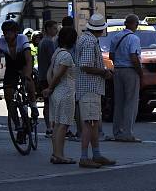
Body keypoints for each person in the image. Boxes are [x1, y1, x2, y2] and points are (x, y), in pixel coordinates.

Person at [75, 14, 116, 168]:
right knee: (89, 123)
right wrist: (104, 72)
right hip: (89, 88)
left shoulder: (86, 38)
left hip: (90, 88)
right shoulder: (89, 41)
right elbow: (85, 65)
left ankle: (96, 155)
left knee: (93, 123)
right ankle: (85, 157)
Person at [0, 20, 38, 134]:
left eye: (9, 32)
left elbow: (28, 59)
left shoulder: (22, 38)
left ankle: (33, 105)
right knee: (8, 97)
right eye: (5, 32)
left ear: (16, 32)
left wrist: (27, 76)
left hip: (23, 65)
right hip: (11, 68)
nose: (6, 35)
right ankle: (17, 124)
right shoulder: (0, 42)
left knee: (29, 80)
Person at [43, 26, 78, 164]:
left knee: (57, 125)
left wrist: (50, 88)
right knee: (63, 125)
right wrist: (50, 87)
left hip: (57, 93)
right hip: (65, 92)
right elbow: (59, 75)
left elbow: (50, 72)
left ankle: (55, 153)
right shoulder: (67, 56)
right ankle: (59, 155)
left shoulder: (57, 52)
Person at [108, 14, 143, 143]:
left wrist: (119, 61)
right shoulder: (134, 38)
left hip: (117, 70)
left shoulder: (116, 37)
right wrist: (140, 73)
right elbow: (133, 57)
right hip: (130, 71)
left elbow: (111, 55)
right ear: (135, 24)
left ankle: (117, 132)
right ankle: (128, 133)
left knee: (119, 102)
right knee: (131, 102)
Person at [37, 20, 58, 137]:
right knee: (51, 103)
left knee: (47, 102)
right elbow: (53, 60)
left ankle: (48, 126)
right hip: (48, 76)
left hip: (42, 75)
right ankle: (51, 127)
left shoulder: (42, 42)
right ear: (48, 29)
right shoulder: (49, 43)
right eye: (54, 28)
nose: (56, 30)